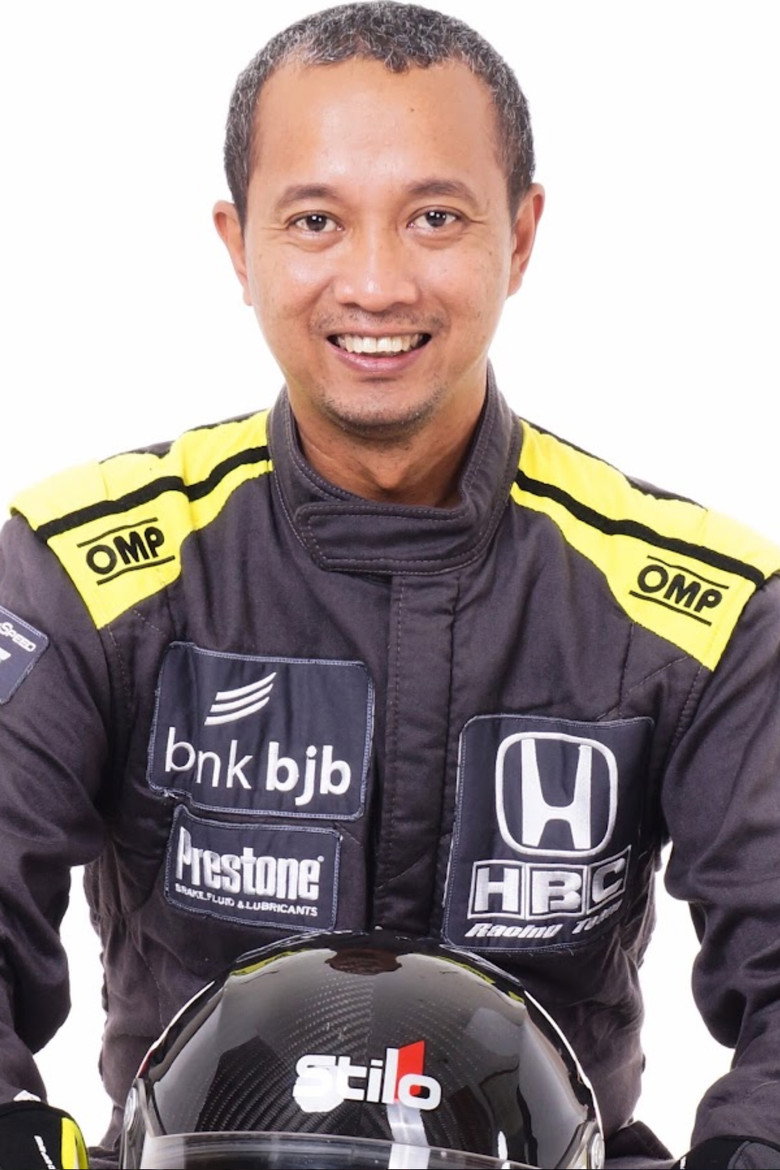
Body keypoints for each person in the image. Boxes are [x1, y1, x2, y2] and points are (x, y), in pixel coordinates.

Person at [1, 3, 780, 1168]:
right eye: (316, 220)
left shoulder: (701, 609)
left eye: (434, 218)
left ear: (521, 236)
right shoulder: (85, 571)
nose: (375, 283)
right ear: (239, 244)